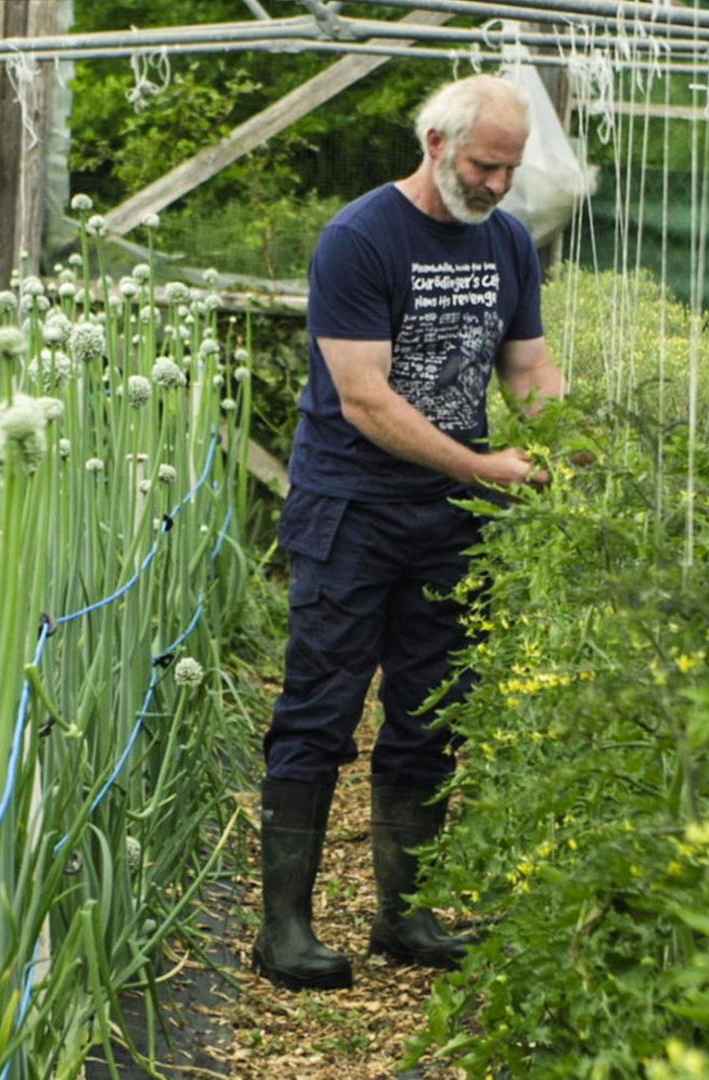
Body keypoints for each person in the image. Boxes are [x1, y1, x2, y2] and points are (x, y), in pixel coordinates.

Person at [252, 74, 569, 991]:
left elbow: (529, 365)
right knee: (319, 710)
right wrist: (484, 469)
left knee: (430, 712)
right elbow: (364, 400)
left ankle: (405, 915)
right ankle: (286, 933)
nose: (500, 185)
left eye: (512, 169)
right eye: (485, 165)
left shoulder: (507, 241)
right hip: (351, 507)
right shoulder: (360, 239)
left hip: (450, 520)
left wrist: (563, 442)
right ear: (436, 142)